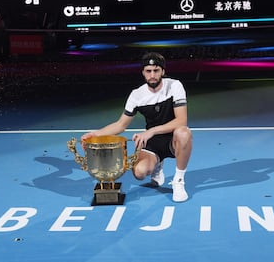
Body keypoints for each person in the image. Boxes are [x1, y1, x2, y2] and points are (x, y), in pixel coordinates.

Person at [81, 52, 192, 202]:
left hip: (173, 138)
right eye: (148, 71)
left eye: (156, 70)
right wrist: (96, 134)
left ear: (163, 72)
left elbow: (181, 121)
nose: (152, 75)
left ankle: (178, 181)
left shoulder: (174, 86)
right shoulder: (137, 95)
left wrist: (151, 131)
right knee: (139, 172)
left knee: (184, 133)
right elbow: (121, 125)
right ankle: (157, 164)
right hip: (152, 143)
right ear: (143, 73)